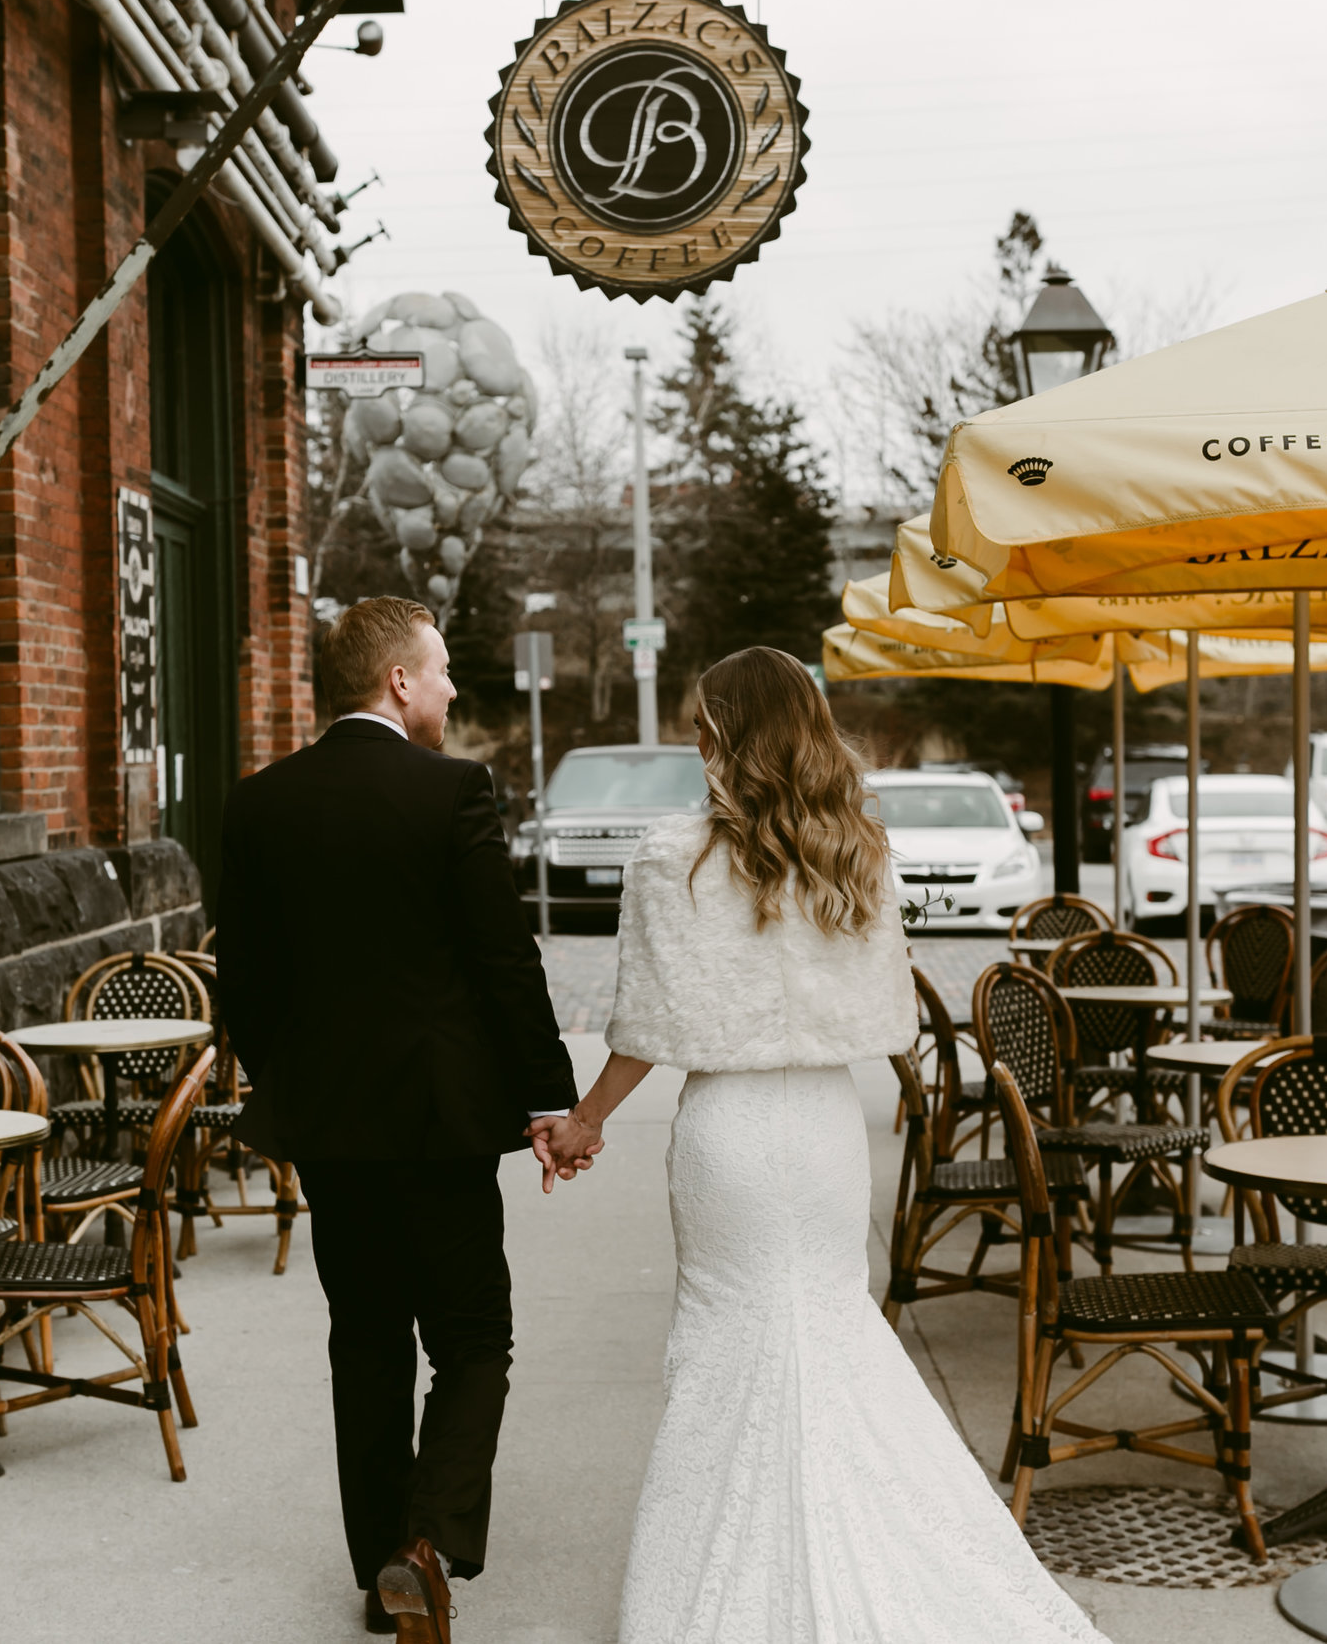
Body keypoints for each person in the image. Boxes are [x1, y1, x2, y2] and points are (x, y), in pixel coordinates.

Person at [534, 647, 1109, 1644]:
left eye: (700, 721)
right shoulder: (857, 850)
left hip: (731, 1135)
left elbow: (646, 1025)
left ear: (720, 731)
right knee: (831, 1330)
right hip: (823, 1128)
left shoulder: (674, 858)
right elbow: (888, 1016)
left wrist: (585, 1120)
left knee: (727, 1347)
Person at [217, 595, 586, 1644]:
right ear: (397, 682)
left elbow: (242, 980)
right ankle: (423, 1543)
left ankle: (380, 1570)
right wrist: (548, 1100)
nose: (453, 687)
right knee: (473, 1333)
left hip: (331, 1127)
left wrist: (295, 1082)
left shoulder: (259, 802)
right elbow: (502, 962)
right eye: (442, 670)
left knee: (365, 1338)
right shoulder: (450, 792)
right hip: (443, 1121)